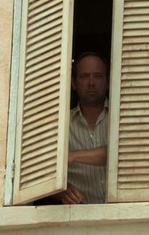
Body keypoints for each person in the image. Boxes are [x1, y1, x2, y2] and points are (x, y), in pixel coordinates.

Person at [53, 52, 109, 204]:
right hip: (79, 218)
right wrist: (60, 191)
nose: (91, 82)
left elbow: (121, 152)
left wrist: (72, 156)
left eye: (97, 76)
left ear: (108, 82)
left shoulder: (121, 119)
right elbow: (41, 172)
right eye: (84, 76)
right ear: (73, 83)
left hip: (125, 216)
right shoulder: (60, 125)